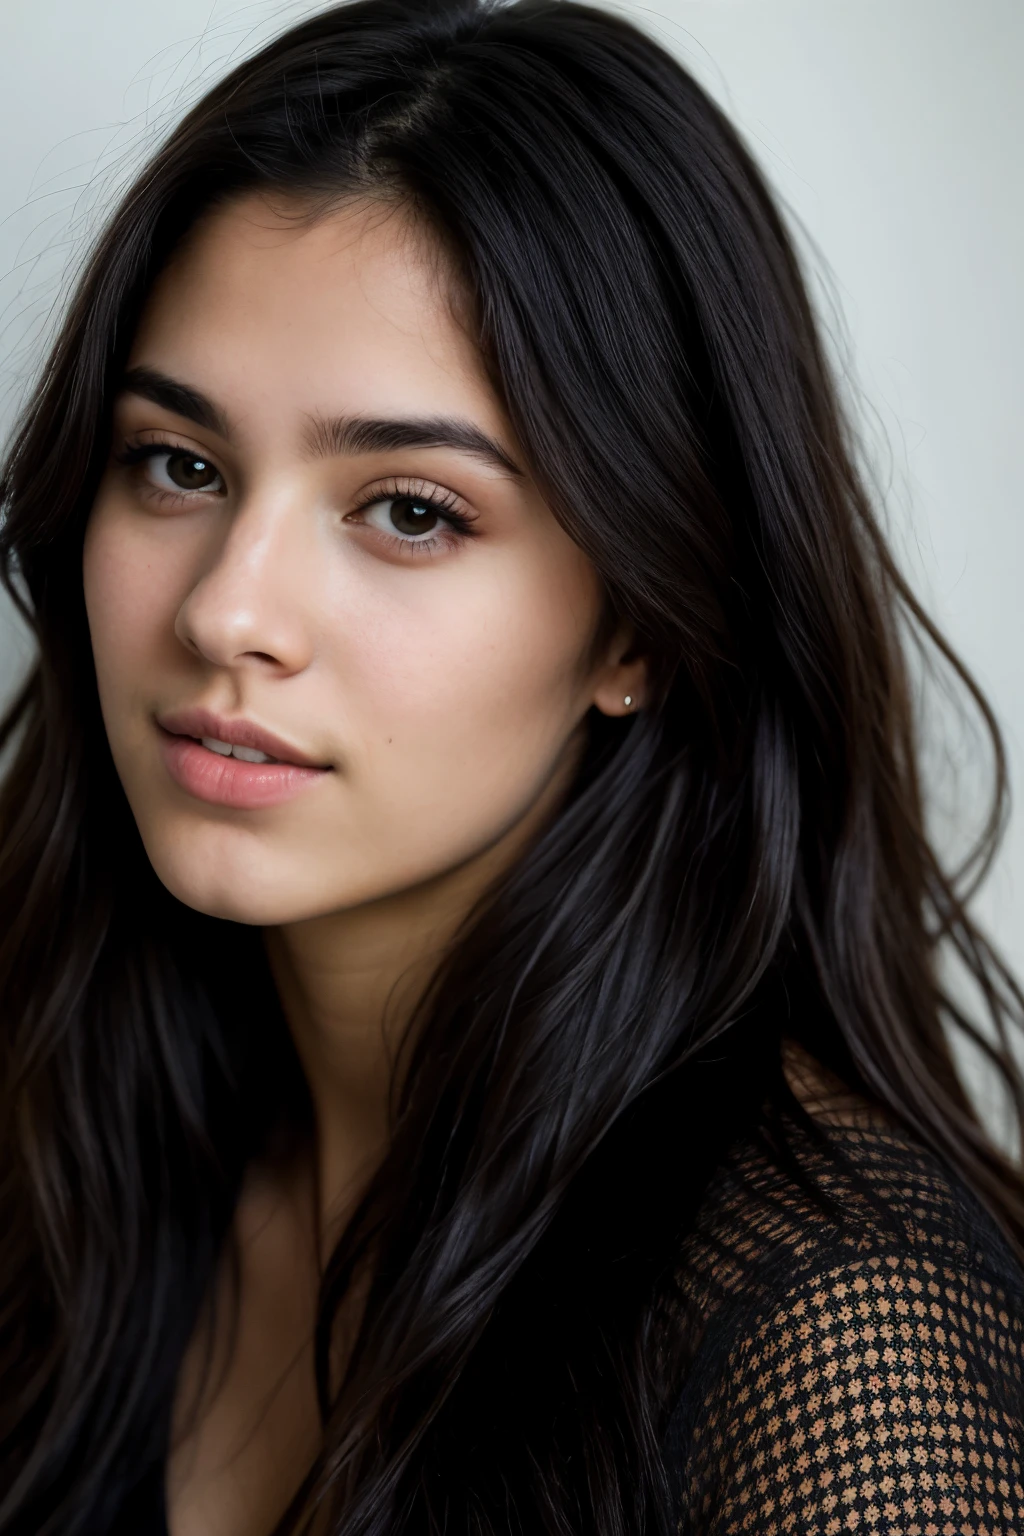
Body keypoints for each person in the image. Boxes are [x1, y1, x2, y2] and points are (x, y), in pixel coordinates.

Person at [0, 0, 1021, 1531]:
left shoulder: (837, 1321)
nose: (226, 609)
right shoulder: (76, 1115)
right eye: (180, 465)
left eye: (409, 510)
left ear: (646, 627)